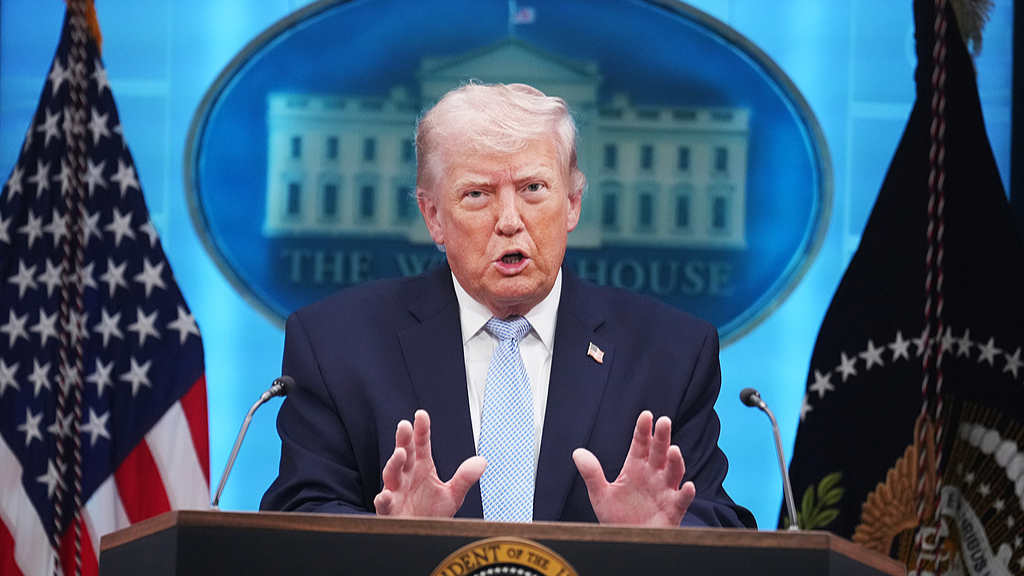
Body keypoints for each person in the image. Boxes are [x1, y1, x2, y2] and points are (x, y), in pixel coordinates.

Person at [261, 82, 755, 528]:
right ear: (433, 215)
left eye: (533, 189)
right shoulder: (335, 346)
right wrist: (390, 540)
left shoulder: (670, 353)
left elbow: (720, 523)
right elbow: (296, 517)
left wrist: (657, 543)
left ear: (573, 203)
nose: (509, 220)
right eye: (477, 194)